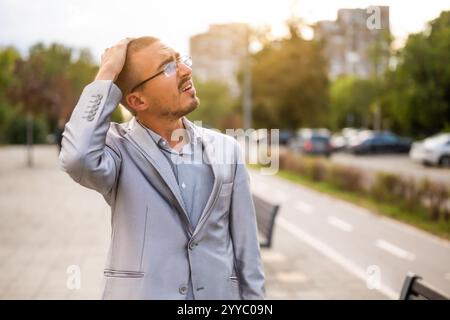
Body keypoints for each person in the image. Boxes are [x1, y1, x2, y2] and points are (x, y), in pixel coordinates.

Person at [58, 37, 265, 299]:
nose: (186, 70)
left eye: (180, 60)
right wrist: (107, 72)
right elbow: (77, 158)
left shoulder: (227, 149)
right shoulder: (117, 151)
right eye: (167, 67)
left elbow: (249, 254)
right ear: (137, 101)